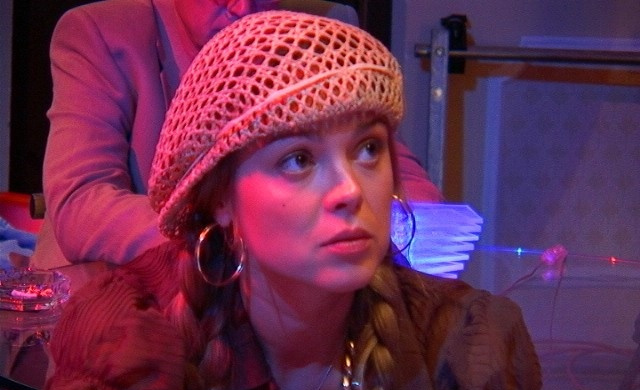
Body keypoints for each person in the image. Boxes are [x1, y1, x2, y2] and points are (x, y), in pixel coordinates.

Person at [38, 11, 540, 390]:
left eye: (368, 148)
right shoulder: (129, 350)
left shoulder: (465, 344)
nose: (350, 190)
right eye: (299, 159)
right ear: (221, 200)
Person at [31, 0, 441, 273]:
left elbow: (408, 185)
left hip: (273, 310)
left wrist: (393, 228)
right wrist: (234, 244)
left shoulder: (315, 30)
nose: (244, 10)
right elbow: (82, 200)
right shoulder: (103, 32)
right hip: (112, 289)